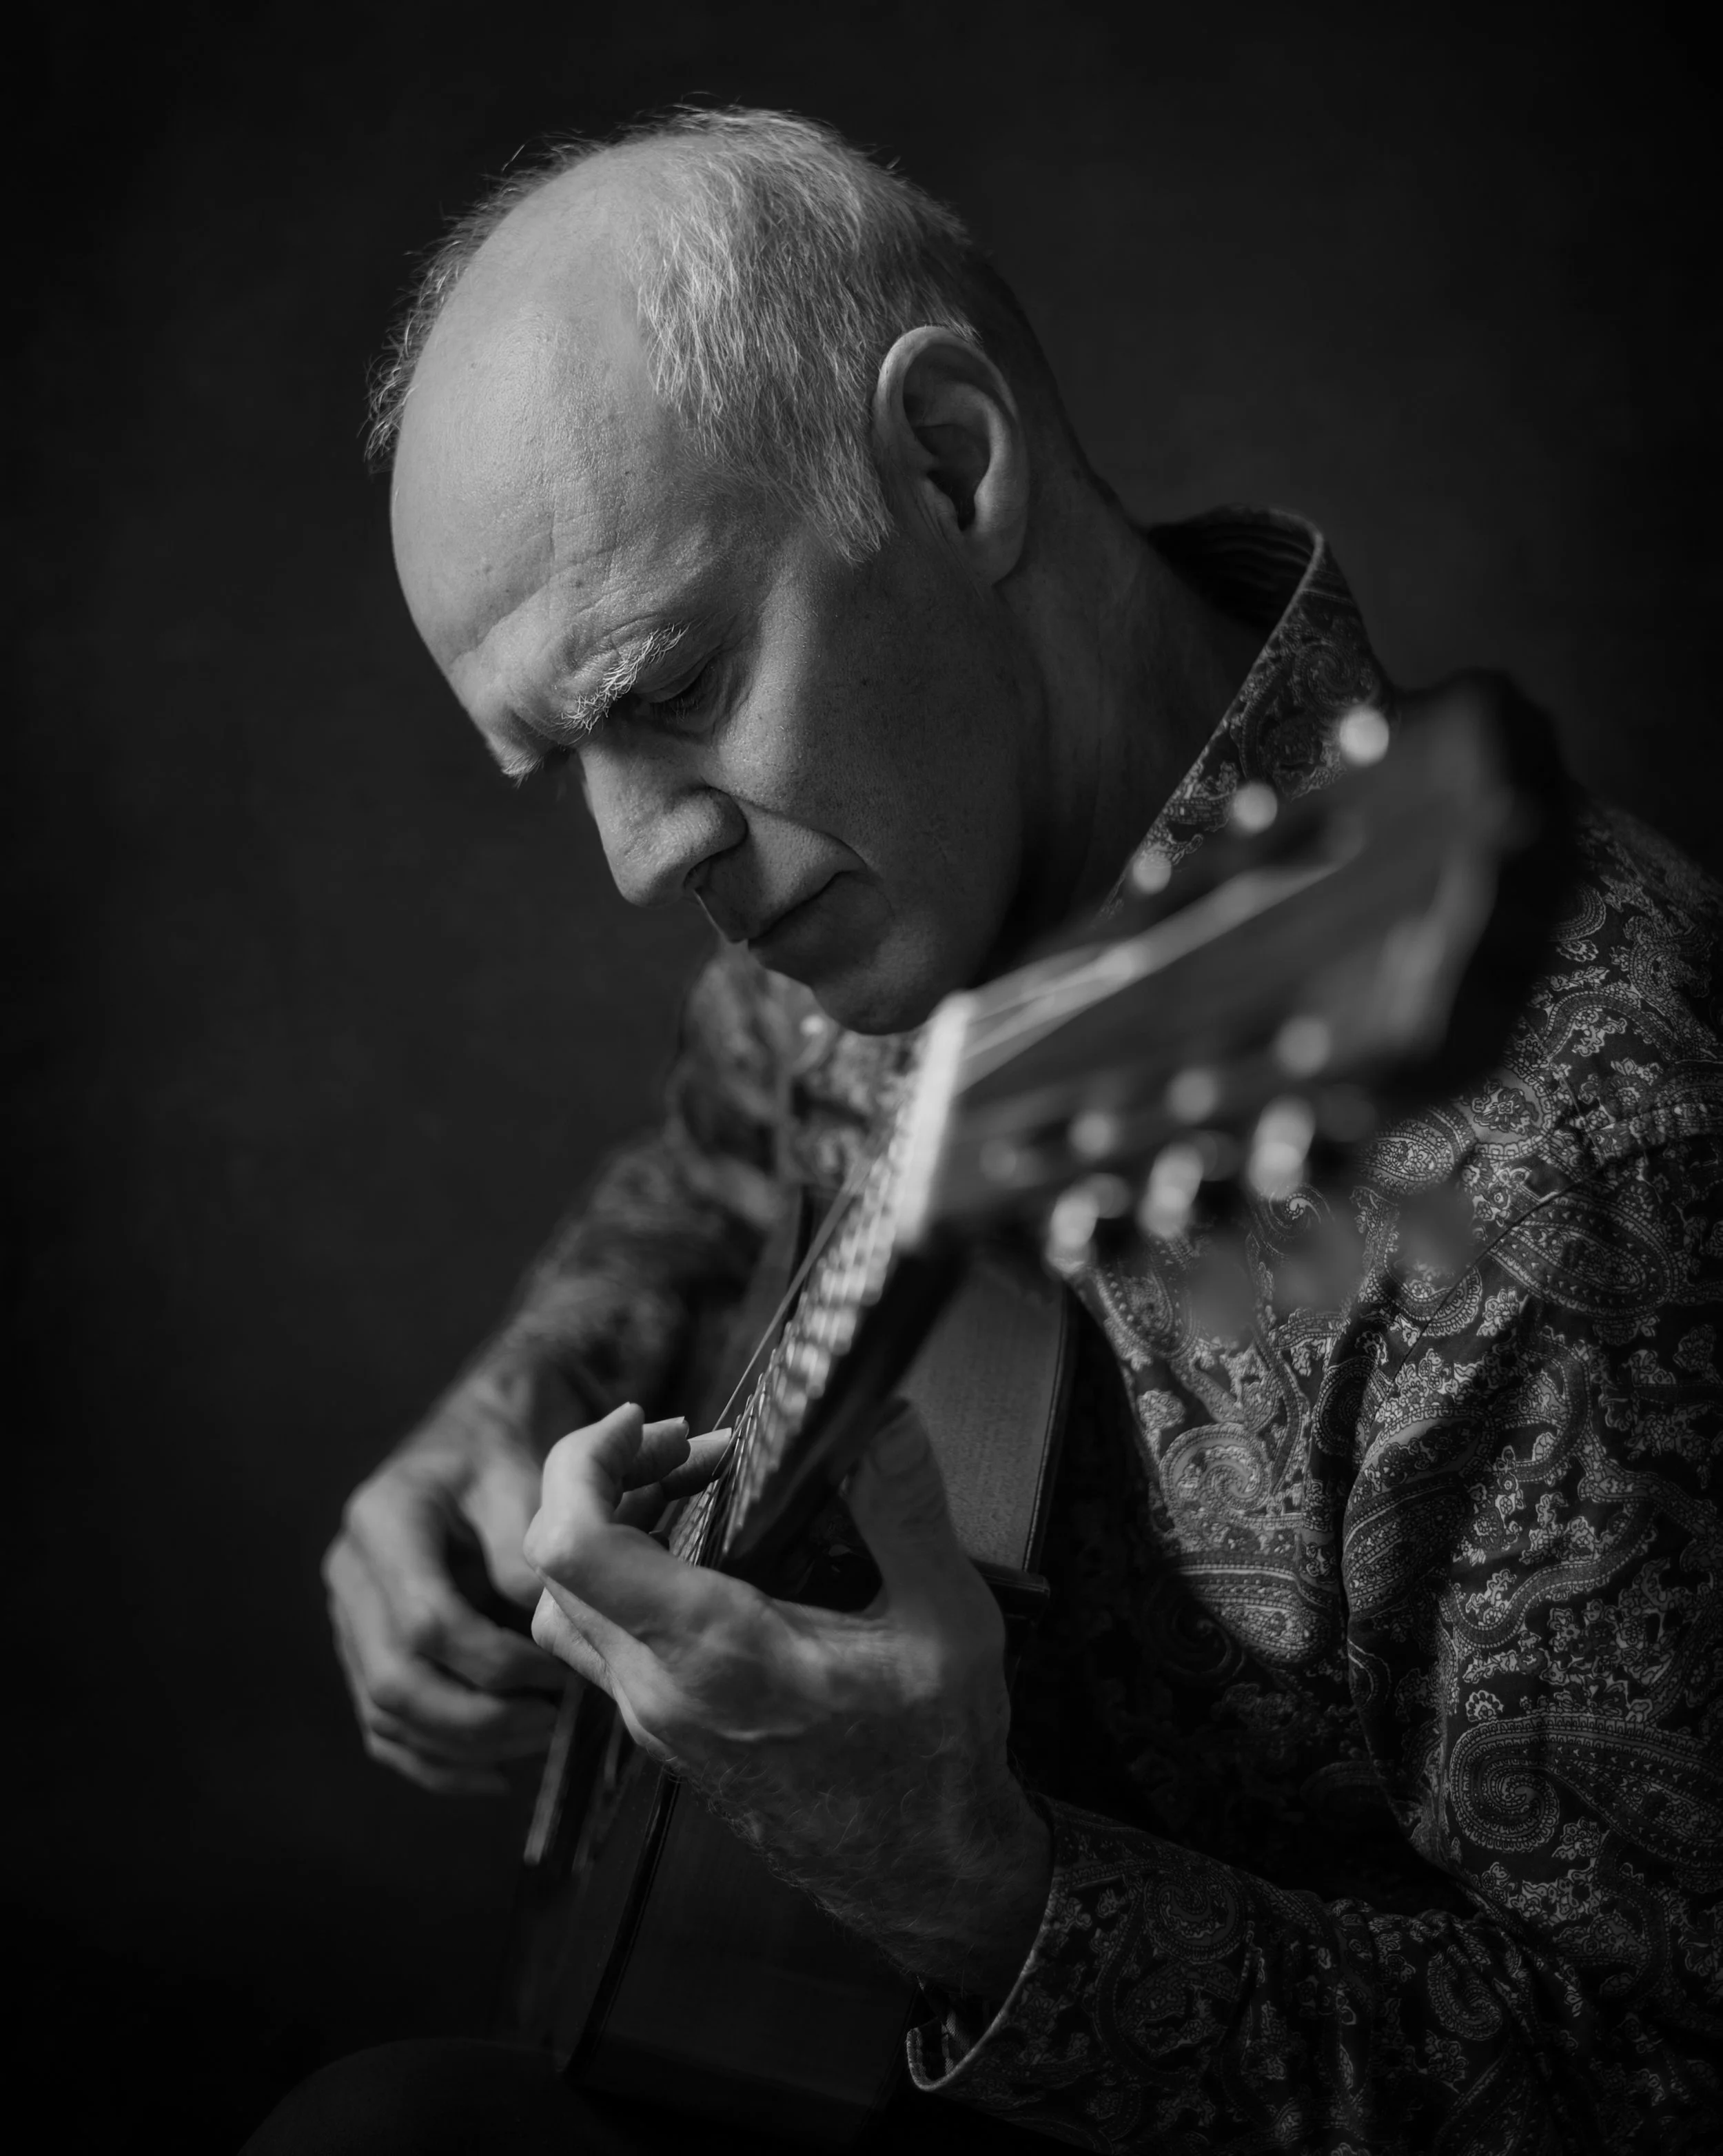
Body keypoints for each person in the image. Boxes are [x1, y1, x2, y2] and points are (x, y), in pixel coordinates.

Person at [282, 108, 1723, 2153]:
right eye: (563, 766)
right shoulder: (869, 891)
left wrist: (981, 1892)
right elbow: (705, 1169)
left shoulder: (1590, 1161)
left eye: (670, 688)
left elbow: (1662, 2078)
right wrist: (497, 1412)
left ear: (953, 468)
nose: (636, 857)